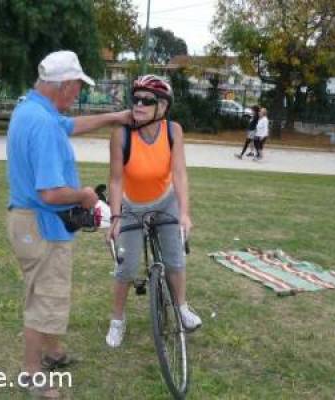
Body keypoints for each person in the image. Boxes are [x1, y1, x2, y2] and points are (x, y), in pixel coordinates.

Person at [7, 50, 131, 398]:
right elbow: (50, 193)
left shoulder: (30, 109)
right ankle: (32, 375)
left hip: (26, 222)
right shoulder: (43, 124)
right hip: (42, 225)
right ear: (61, 85)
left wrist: (114, 117)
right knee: (44, 297)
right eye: (77, 86)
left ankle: (53, 351)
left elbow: (72, 125)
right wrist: (86, 196)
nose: (78, 93)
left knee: (43, 291)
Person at [105, 75, 202, 348]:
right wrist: (115, 217)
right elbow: (115, 180)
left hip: (165, 200)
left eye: (147, 100)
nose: (138, 104)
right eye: (135, 98)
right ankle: (117, 320)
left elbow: (180, 173)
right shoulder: (121, 134)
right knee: (126, 267)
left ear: (162, 107)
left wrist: (184, 213)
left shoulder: (173, 132)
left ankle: (182, 308)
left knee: (175, 258)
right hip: (132, 204)